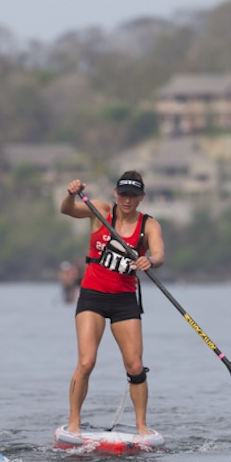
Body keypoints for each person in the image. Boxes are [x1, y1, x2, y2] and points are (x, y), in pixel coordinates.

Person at [59, 171, 165, 436]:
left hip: (124, 299)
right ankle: (73, 423)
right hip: (93, 295)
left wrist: (149, 260)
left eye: (133, 195)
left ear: (141, 197)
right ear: (116, 194)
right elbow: (67, 210)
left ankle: (141, 426)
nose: (127, 200)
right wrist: (71, 193)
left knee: (135, 366)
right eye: (123, 194)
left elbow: (160, 254)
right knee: (86, 362)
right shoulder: (101, 211)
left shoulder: (149, 225)